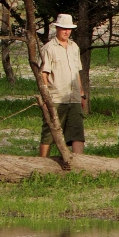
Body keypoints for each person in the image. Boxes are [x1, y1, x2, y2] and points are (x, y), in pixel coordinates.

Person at [38, 13, 87, 157]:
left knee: (77, 132)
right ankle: (42, 163)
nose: (67, 32)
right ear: (57, 28)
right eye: (64, 29)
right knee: (49, 131)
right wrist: (46, 98)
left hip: (74, 96)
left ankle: (79, 164)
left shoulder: (74, 47)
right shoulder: (49, 48)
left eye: (69, 29)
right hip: (56, 97)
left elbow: (77, 72)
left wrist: (82, 94)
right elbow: (44, 74)